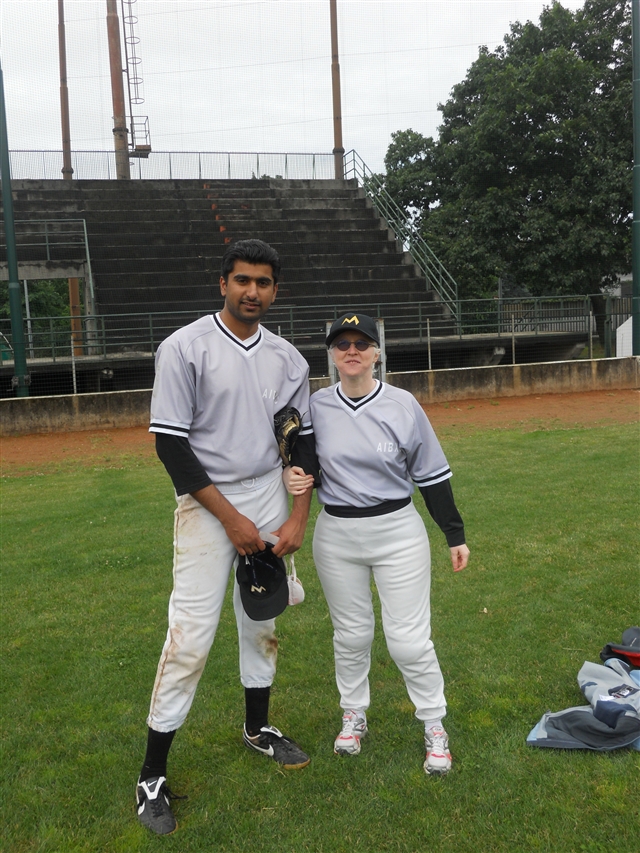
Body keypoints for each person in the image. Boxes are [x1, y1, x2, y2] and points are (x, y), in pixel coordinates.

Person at [136, 239, 317, 835]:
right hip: (207, 498)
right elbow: (171, 446)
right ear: (223, 283)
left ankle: (257, 728)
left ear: (275, 290)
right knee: (189, 636)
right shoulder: (184, 347)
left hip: (268, 490)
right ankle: (152, 774)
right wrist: (232, 520)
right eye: (242, 280)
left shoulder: (288, 358)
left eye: (263, 282)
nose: (252, 291)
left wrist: (298, 516)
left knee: (262, 621)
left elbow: (300, 441)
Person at [284, 312, 469, 776]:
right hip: (337, 534)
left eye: (361, 343)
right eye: (342, 344)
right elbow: (304, 461)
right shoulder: (315, 406)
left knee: (408, 641)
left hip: (397, 531)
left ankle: (434, 724)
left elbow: (431, 473)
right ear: (331, 353)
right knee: (351, 635)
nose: (352, 351)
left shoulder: (403, 404)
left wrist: (454, 533)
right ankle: (354, 715)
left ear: (377, 353)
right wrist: (290, 473)